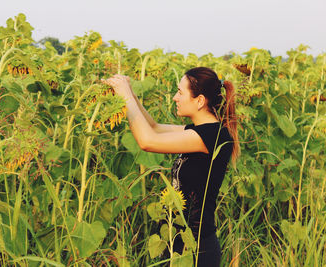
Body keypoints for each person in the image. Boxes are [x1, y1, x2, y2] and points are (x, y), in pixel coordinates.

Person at [102, 67, 240, 267]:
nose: (175, 97)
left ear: (200, 101)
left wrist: (125, 95)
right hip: (178, 241)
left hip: (196, 248)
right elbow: (154, 128)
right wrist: (129, 93)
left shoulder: (214, 136)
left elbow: (147, 141)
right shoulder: (199, 131)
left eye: (180, 92)